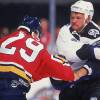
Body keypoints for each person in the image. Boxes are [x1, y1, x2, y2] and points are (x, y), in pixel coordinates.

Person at [0, 15, 88, 100]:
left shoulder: (3, 39)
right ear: (35, 33)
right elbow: (59, 70)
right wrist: (71, 71)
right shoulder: (37, 46)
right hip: (14, 88)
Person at [50, 1, 100, 100]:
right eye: (72, 17)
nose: (74, 21)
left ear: (88, 18)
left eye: (78, 18)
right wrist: (94, 52)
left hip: (91, 81)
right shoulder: (65, 30)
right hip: (67, 81)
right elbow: (68, 54)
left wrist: (80, 72)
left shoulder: (96, 33)